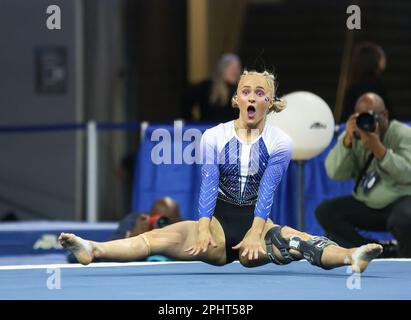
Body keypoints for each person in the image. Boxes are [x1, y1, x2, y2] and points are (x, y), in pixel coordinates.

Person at [60, 70, 382, 273]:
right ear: (236, 99)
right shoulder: (214, 136)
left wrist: (256, 235)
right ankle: (93, 249)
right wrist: (202, 230)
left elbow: (267, 192)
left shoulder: (280, 142)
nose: (253, 96)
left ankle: (351, 257)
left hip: (259, 228)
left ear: (270, 102)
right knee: (154, 239)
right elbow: (208, 187)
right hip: (215, 225)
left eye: (260, 92)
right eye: (246, 91)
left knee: (302, 243)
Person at [316, 92, 411, 258]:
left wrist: (379, 149)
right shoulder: (355, 136)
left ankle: (405, 258)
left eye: (372, 115)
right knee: (326, 212)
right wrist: (346, 142)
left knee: (404, 218)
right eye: (361, 116)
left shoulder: (402, 134)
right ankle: (371, 252)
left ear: (385, 115)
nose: (368, 121)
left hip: (401, 203)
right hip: (368, 204)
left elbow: (407, 174)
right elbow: (334, 172)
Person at [184, 53, 241, 122]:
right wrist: (193, 124)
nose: (235, 71)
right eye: (230, 67)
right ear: (221, 69)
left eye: (237, 67)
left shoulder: (242, 91)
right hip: (208, 130)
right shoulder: (207, 87)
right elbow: (185, 103)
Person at [341, 42, 388, 122]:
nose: (385, 58)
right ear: (374, 59)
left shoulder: (353, 84)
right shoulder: (376, 84)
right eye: (381, 56)